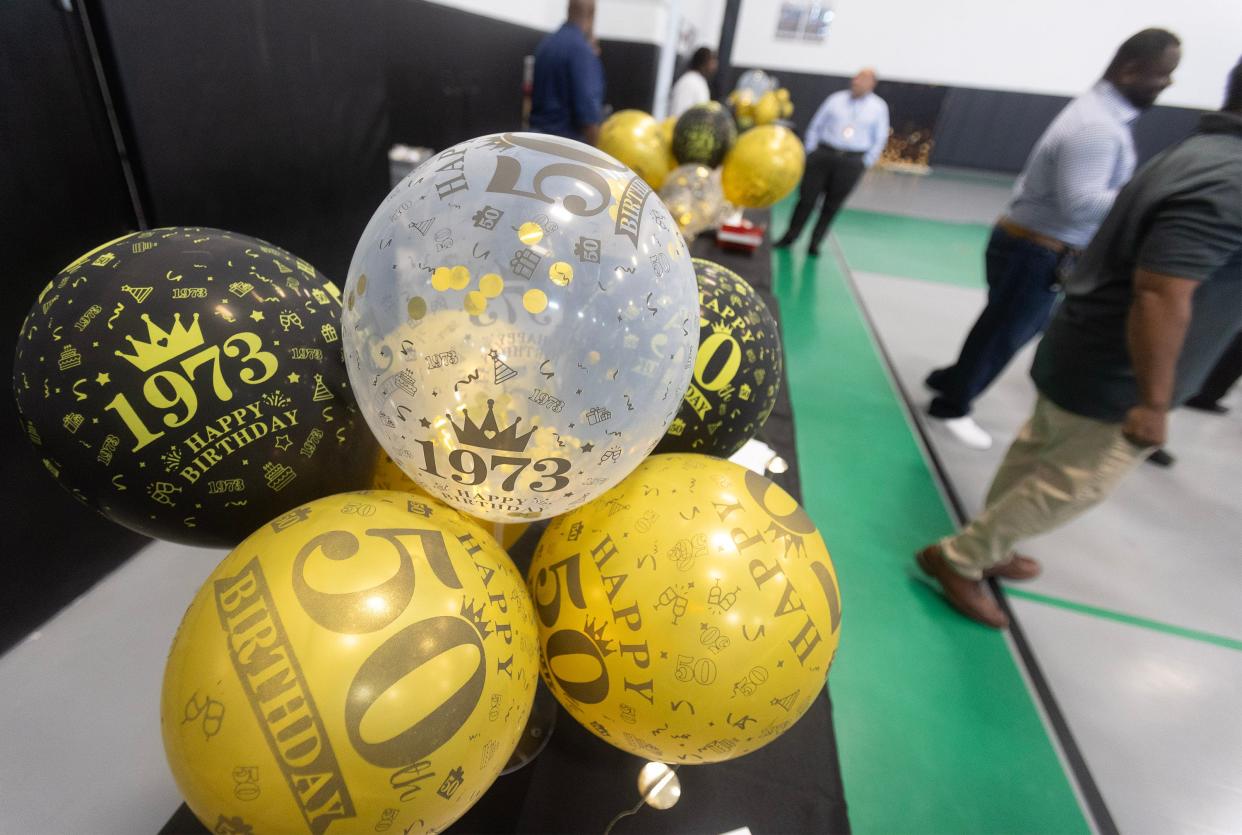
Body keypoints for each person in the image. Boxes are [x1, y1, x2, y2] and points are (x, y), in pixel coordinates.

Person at [915, 57, 1242, 629]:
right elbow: (1163, 292)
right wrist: (1154, 401)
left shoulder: (1191, 154)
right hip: (1118, 370)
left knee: (1037, 450)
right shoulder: (1227, 177)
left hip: (1084, 339)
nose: (1165, 82)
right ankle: (962, 559)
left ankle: (990, 542)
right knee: (1075, 481)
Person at [925, 30, 1182, 450]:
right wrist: (1141, 196)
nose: (1168, 85)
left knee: (998, 322)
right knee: (1006, 331)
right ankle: (952, 405)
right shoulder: (1097, 127)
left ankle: (953, 379)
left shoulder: (1098, 114)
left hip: (1030, 243)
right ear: (1131, 70)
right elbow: (1080, 205)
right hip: (1039, 250)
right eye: (1163, 74)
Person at [773, 68, 889, 257]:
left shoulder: (878, 108)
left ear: (872, 83)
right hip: (824, 154)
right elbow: (816, 125)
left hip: (852, 161)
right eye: (856, 76)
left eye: (863, 78)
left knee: (832, 205)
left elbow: (880, 137)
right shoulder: (836, 99)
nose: (856, 81)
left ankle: (815, 243)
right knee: (806, 200)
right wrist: (811, 151)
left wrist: (865, 162)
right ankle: (790, 236)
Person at [530, 0, 605, 145]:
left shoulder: (546, 44)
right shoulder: (582, 52)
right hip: (564, 147)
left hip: (534, 140)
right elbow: (588, 118)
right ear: (591, 15)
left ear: (569, 9)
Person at [669, 47, 718, 118]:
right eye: (712, 62)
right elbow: (679, 114)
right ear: (703, 63)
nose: (715, 66)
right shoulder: (689, 81)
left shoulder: (699, 81)